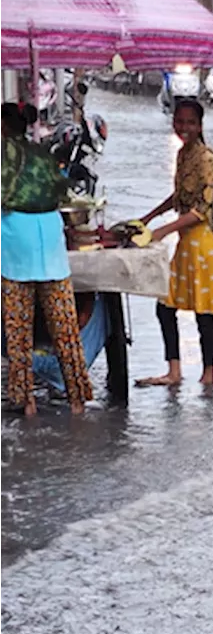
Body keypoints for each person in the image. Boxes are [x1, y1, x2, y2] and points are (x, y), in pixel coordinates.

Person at [0, 103, 94, 416]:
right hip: (51, 252)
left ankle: (27, 403)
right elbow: (63, 196)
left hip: (15, 254)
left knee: (19, 334)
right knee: (66, 331)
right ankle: (78, 400)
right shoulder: (42, 154)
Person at [136, 99, 213, 387]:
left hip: (204, 241)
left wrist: (164, 230)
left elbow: (201, 209)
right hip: (187, 240)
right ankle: (174, 372)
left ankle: (208, 374)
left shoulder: (207, 159)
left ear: (200, 126)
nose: (183, 128)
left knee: (203, 311)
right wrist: (148, 217)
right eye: (179, 121)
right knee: (165, 306)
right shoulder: (183, 155)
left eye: (189, 123)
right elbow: (179, 197)